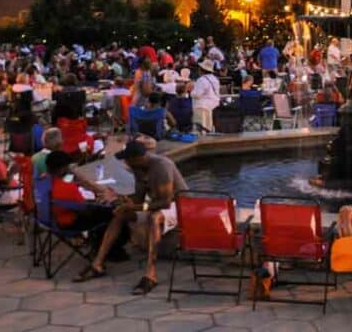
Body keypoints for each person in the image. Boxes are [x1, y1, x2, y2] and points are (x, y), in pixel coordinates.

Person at [75, 137, 188, 295]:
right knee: (120, 216)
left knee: (154, 218)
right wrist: (123, 203)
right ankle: (97, 264)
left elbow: (166, 202)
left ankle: (151, 273)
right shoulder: (138, 168)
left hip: (180, 205)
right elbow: (138, 199)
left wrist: (135, 206)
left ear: (137, 158)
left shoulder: (162, 166)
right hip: (157, 204)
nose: (126, 163)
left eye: (128, 159)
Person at [44, 151, 126, 257]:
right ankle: (107, 250)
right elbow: (85, 209)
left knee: (101, 209)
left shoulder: (42, 182)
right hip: (69, 223)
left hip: (49, 220)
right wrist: (98, 202)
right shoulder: (67, 188)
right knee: (112, 212)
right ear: (63, 169)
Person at [191, 59, 220, 133]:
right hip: (212, 106)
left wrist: (191, 91)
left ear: (202, 69)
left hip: (202, 106)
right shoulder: (215, 79)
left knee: (200, 130)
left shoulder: (201, 80)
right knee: (209, 128)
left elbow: (197, 95)